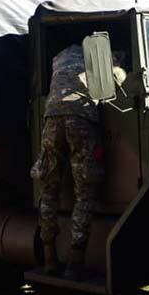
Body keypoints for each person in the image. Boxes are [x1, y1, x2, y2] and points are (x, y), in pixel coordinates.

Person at [31, 44, 102, 280]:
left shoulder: (59, 56)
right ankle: (75, 261)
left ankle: (50, 256)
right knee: (84, 188)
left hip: (51, 117)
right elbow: (111, 87)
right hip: (81, 118)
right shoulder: (100, 52)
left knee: (48, 186)